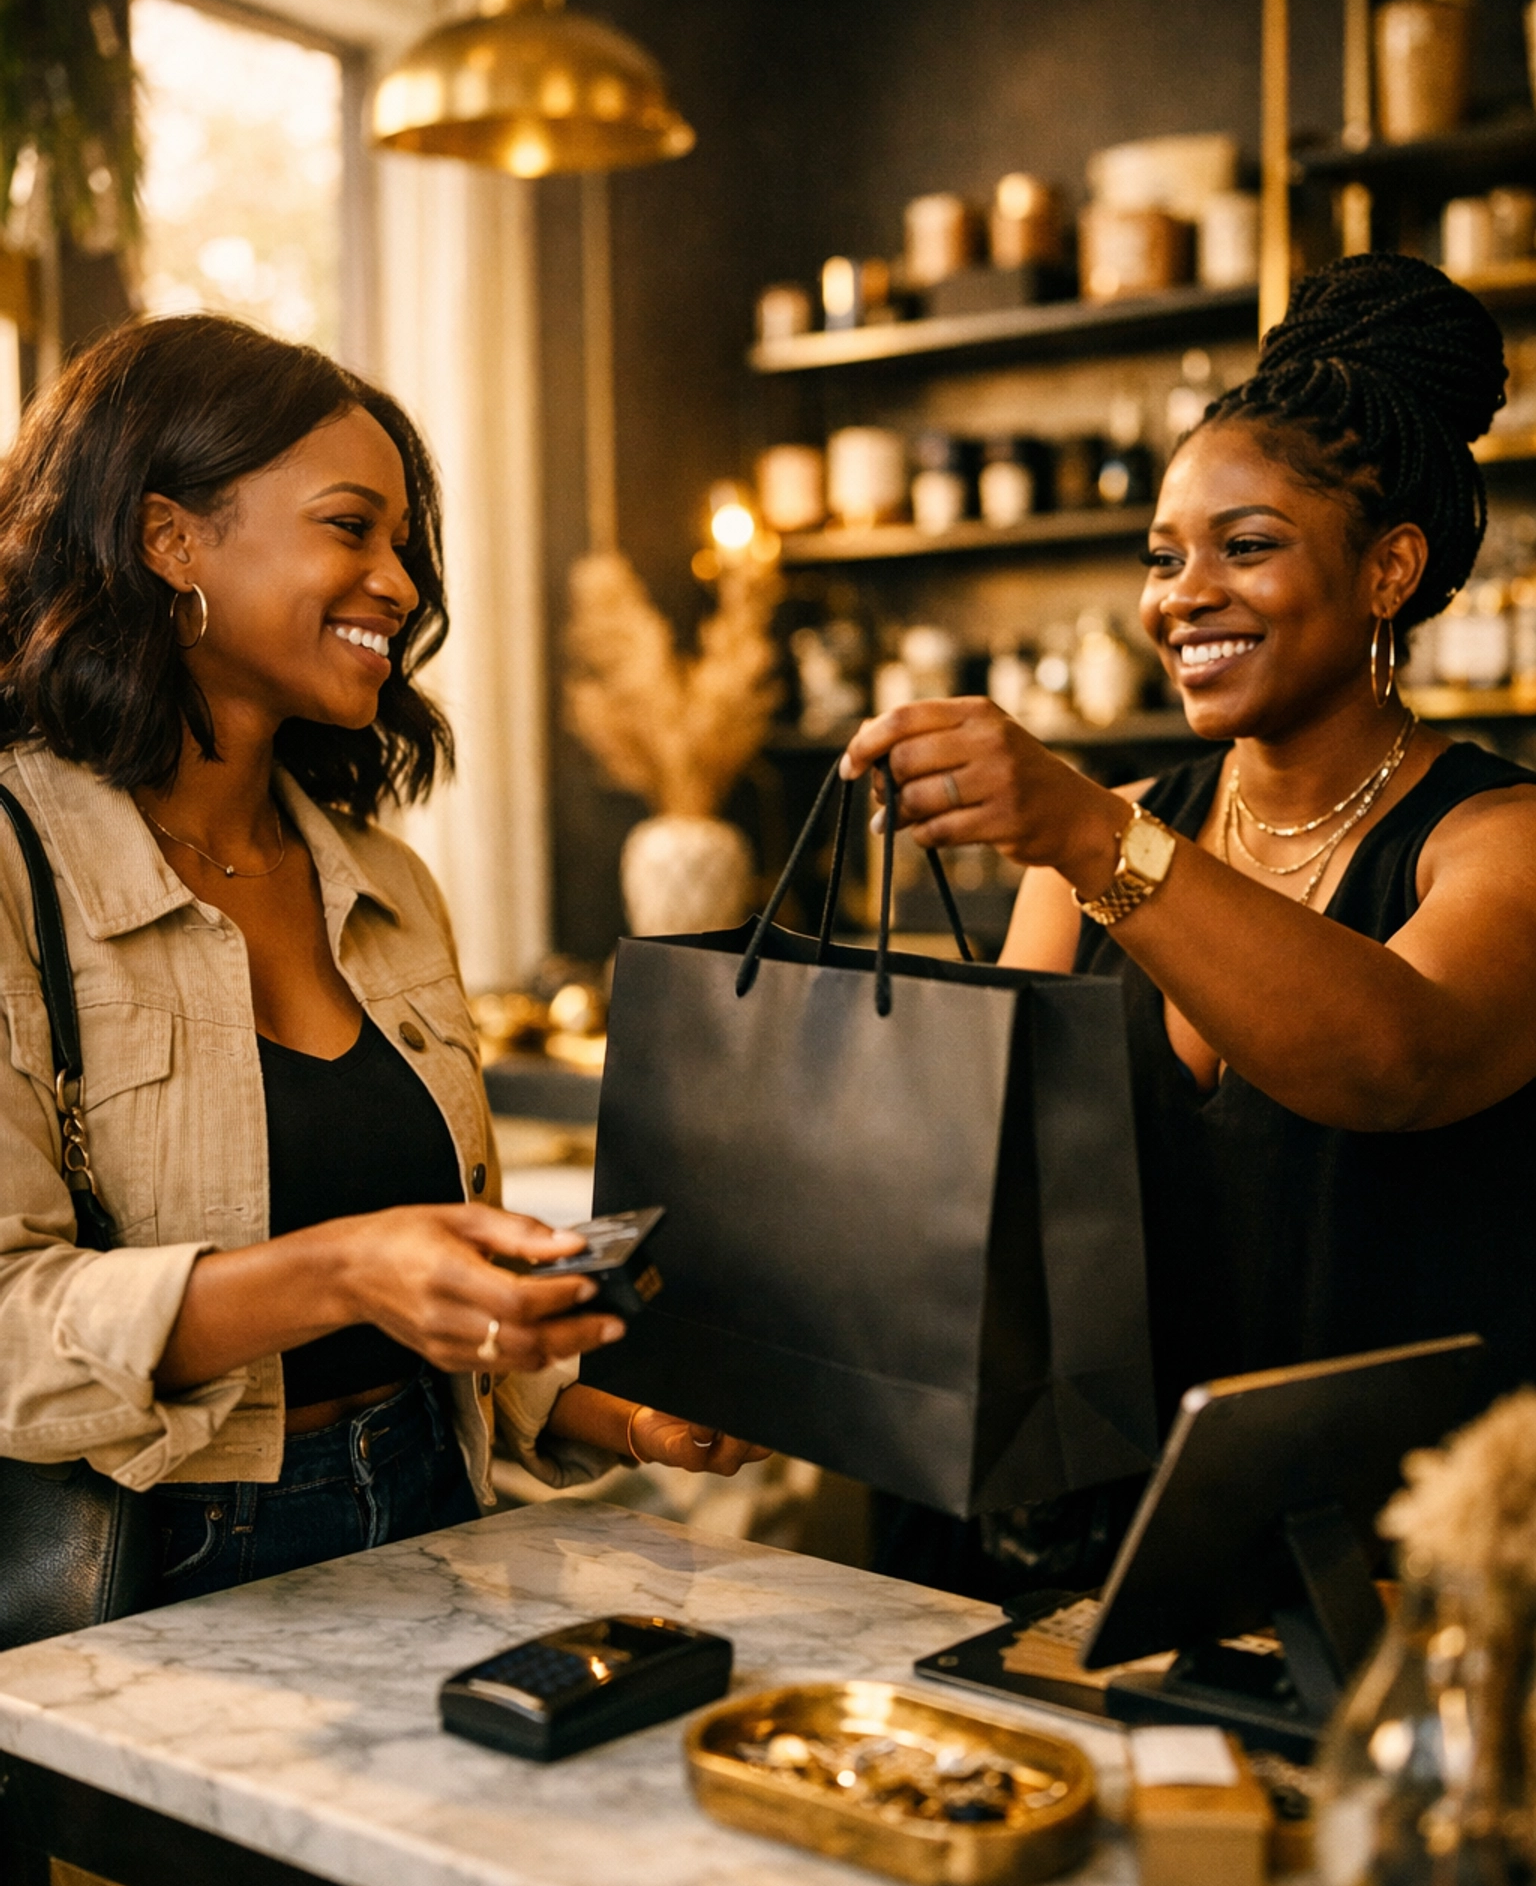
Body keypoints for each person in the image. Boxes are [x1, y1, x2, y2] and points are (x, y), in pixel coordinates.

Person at [0, 313, 761, 1607]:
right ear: (168, 538)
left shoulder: (388, 887)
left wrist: (630, 1416)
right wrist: (344, 1269)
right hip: (152, 1571)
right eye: (351, 528)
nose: (400, 585)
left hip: (431, 1514)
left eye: (404, 544)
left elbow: (444, 1328)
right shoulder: (18, 871)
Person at [841, 252, 1536, 1595]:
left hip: (1399, 1572)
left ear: (1389, 569)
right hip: (1107, 1554)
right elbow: (998, 1199)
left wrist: (1088, 831)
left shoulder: (1497, 842)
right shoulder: (1104, 840)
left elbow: (1393, 1062)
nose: (1181, 596)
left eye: (1247, 547)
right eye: (1164, 557)